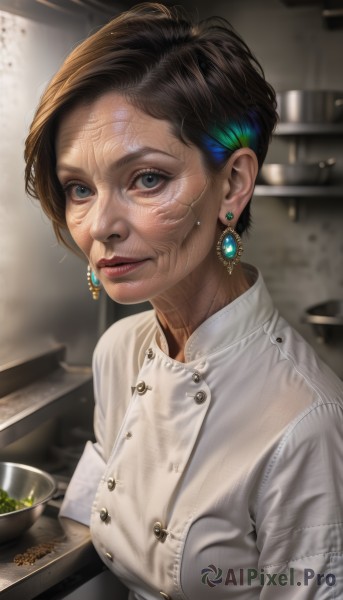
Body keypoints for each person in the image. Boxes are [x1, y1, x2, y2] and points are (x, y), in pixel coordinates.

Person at [24, 3, 343, 599]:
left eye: (147, 178)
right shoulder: (119, 351)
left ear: (234, 183)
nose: (101, 226)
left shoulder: (308, 424)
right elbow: (95, 516)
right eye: (78, 189)